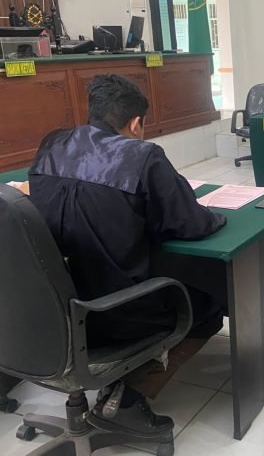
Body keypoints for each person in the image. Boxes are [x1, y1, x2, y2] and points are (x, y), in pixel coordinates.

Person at [28, 74, 226, 435]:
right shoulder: (142, 156)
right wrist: (217, 216)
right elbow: (190, 224)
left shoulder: (52, 144)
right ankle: (127, 400)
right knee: (208, 306)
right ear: (136, 124)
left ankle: (116, 382)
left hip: (52, 311)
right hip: (114, 313)